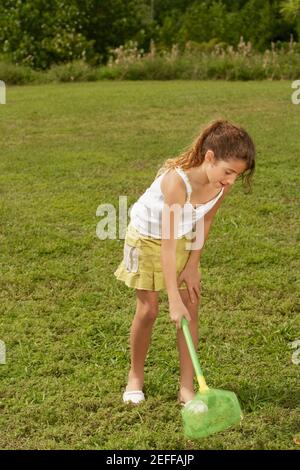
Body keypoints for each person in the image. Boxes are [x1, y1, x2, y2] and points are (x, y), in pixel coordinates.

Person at [114, 119, 256, 406]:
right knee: (149, 309)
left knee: (190, 308)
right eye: (228, 171)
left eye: (236, 176)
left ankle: (186, 388)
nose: (230, 180)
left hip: (182, 237)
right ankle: (135, 377)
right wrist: (172, 298)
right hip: (147, 238)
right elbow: (166, 246)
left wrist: (192, 265)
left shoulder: (221, 183)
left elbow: (205, 219)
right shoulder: (176, 182)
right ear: (209, 157)